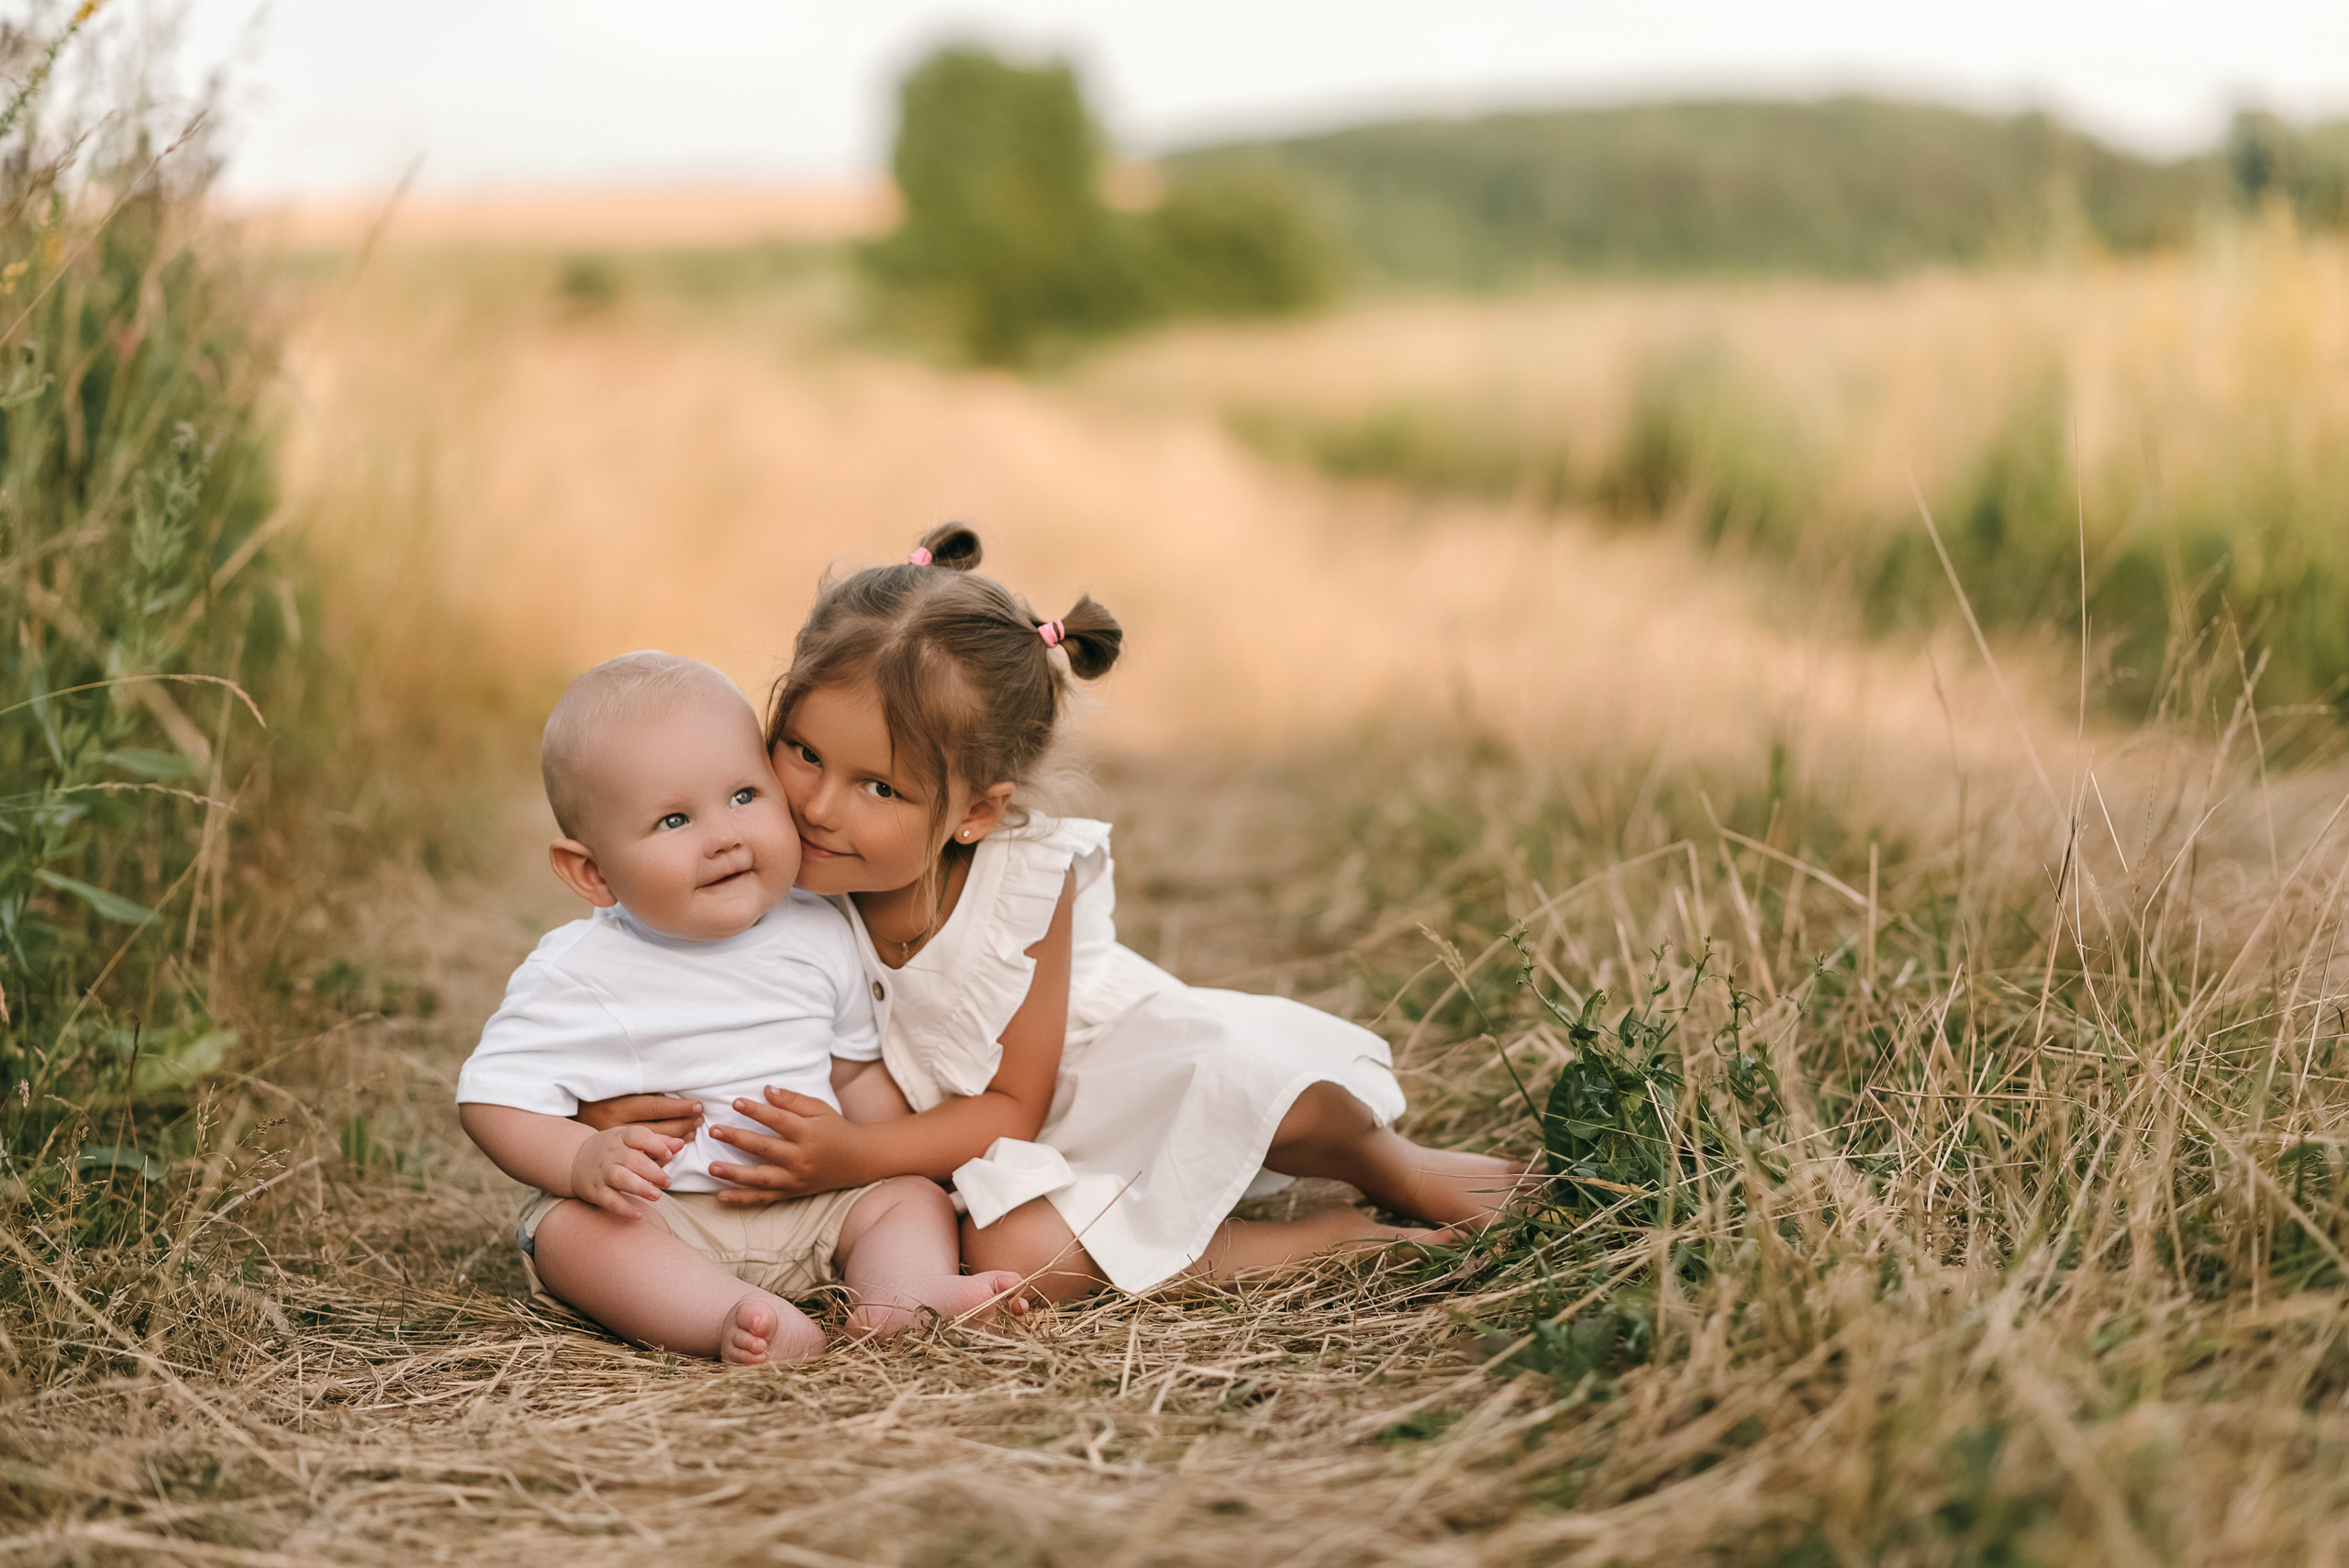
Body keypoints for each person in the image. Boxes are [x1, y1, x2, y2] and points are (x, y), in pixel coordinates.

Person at [587, 528, 1530, 1300]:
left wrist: (857, 1153)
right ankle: (1307, 1242)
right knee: (1011, 1251)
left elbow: (1016, 1106)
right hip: (976, 1158)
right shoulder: (759, 869)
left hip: (1100, 1081)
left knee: (1252, 1084)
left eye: (880, 786)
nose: (820, 805)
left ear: (975, 811)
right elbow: (687, 992)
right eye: (801, 750)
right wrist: (625, 1098)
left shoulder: (1029, 882)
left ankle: (1393, 1162)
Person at [455, 651, 1026, 1364]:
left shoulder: (818, 928)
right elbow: (491, 1100)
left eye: (744, 795)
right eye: (674, 819)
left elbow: (854, 1071)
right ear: (593, 872)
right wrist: (579, 1160)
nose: (723, 835)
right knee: (571, 1232)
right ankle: (730, 1315)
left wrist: (876, 1152)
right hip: (665, 1214)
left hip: (814, 1203)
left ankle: (900, 1295)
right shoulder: (579, 971)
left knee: (909, 1197)